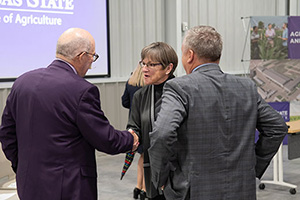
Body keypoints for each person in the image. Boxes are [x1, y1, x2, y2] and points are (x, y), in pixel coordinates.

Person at [148, 25, 288, 200]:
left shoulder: (179, 88)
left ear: (190, 55)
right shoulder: (246, 87)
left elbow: (162, 133)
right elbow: (277, 127)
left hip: (193, 191)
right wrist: (252, 167)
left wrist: (160, 179)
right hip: (241, 189)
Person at [0, 28, 139, 200]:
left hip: (29, 185)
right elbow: (105, 139)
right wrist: (130, 139)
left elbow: (6, 133)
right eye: (92, 57)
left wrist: (22, 165)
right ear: (81, 56)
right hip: (68, 189)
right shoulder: (81, 90)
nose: (91, 64)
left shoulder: (22, 82)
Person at [127, 42, 178, 200]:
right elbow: (134, 127)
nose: (144, 69)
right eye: (143, 63)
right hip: (152, 175)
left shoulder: (183, 92)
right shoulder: (140, 96)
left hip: (179, 174)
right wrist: (131, 136)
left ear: (168, 68)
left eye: (151, 64)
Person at [121, 64, 146, 199]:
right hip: (146, 125)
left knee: (141, 156)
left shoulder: (131, 82)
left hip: (134, 124)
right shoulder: (148, 86)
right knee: (146, 157)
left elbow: (124, 102)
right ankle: (145, 189)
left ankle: (138, 187)